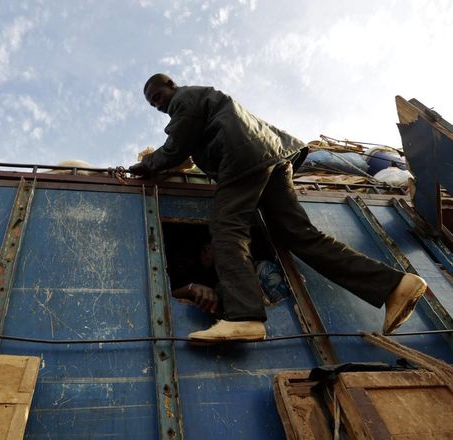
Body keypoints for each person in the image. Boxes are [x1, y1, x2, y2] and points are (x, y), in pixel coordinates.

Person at [128, 73, 427, 342]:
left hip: (242, 158)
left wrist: (143, 166)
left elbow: (175, 146)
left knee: (225, 226)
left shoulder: (185, 98)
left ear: (171, 85)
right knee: (299, 235)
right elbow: (186, 152)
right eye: (152, 103)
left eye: (157, 96)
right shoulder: (201, 103)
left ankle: (243, 316)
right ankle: (395, 285)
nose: (157, 105)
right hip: (272, 158)